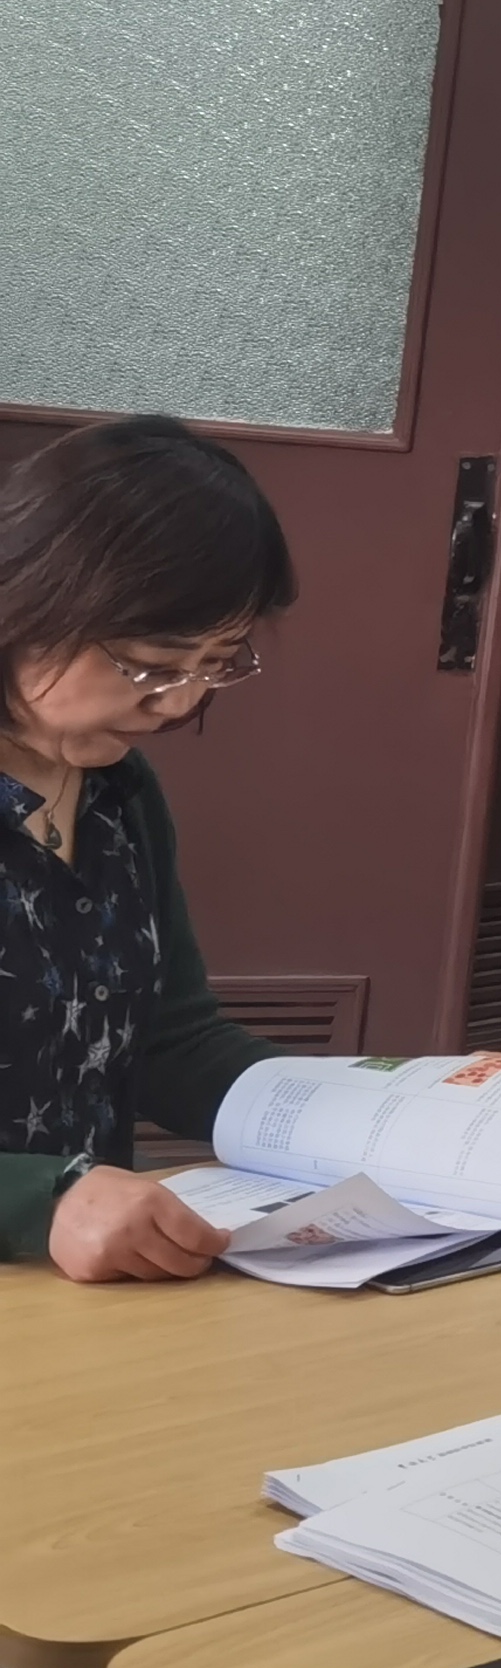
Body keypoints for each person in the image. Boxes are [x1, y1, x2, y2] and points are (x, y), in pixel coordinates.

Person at [0, 419, 298, 1281]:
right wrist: (42, 1202)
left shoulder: (119, 795)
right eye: (150, 665)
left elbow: (173, 1042)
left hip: (96, 1290)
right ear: (26, 602)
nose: (179, 703)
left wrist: (383, 1107)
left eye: (217, 663)